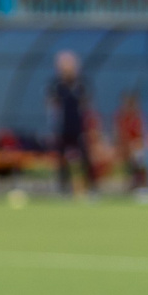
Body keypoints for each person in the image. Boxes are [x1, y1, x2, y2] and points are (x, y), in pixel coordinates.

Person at [46, 52, 94, 198]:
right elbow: (51, 106)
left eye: (70, 64)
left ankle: (90, 188)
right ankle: (63, 189)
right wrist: (52, 126)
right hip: (62, 127)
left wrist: (90, 127)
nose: (68, 68)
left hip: (79, 127)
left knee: (85, 157)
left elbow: (87, 105)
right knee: (61, 159)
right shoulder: (56, 85)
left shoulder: (81, 84)